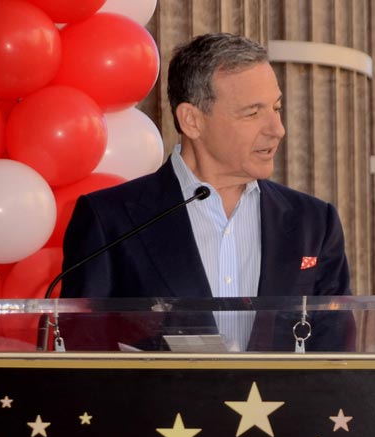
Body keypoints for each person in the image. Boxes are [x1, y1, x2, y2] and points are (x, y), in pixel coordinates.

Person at [60, 33, 352, 351]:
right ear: (192, 121)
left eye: (276, 108)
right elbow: (82, 358)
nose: (277, 129)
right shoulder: (111, 220)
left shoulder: (314, 223)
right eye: (252, 113)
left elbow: (336, 355)